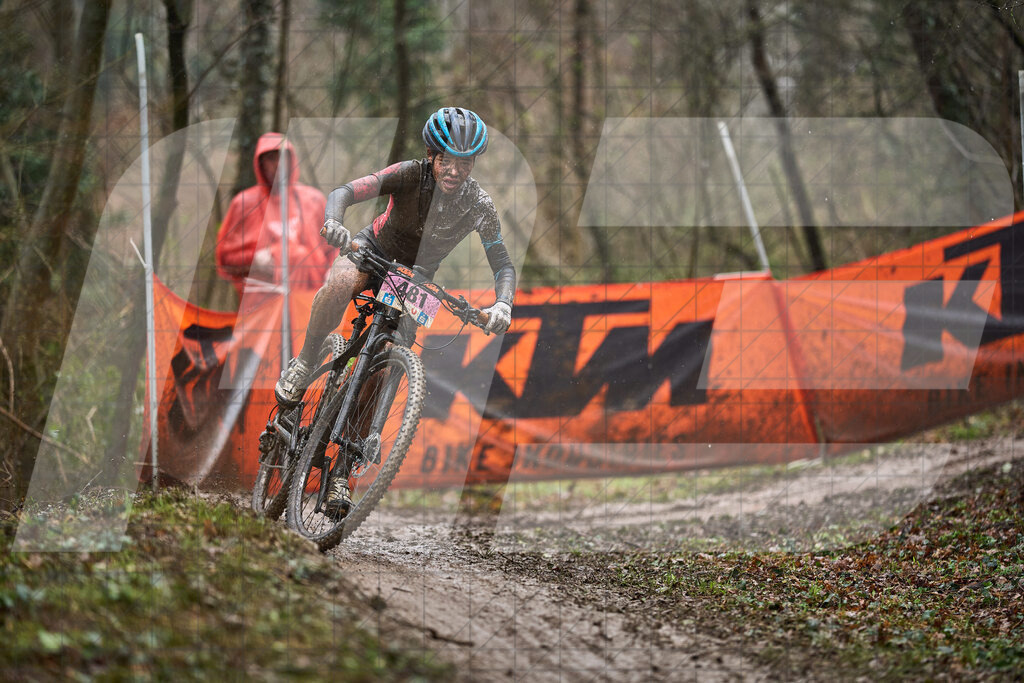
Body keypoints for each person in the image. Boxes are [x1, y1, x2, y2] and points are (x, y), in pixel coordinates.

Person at [274, 106, 516, 409]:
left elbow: (502, 264)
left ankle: (358, 436)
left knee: (386, 369)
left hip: (416, 278)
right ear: (431, 155)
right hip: (374, 250)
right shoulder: (410, 172)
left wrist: (503, 304)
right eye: (446, 160)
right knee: (341, 284)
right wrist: (334, 222)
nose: (455, 171)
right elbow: (345, 192)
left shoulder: (479, 205)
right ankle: (305, 363)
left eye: (465, 162)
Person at [216, 132, 336, 297]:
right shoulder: (244, 203)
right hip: (263, 301)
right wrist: (255, 260)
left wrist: (333, 272)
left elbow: (334, 248)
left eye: (283, 157)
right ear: (261, 163)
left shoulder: (313, 200)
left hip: (310, 298)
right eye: (271, 159)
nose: (278, 164)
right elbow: (226, 258)